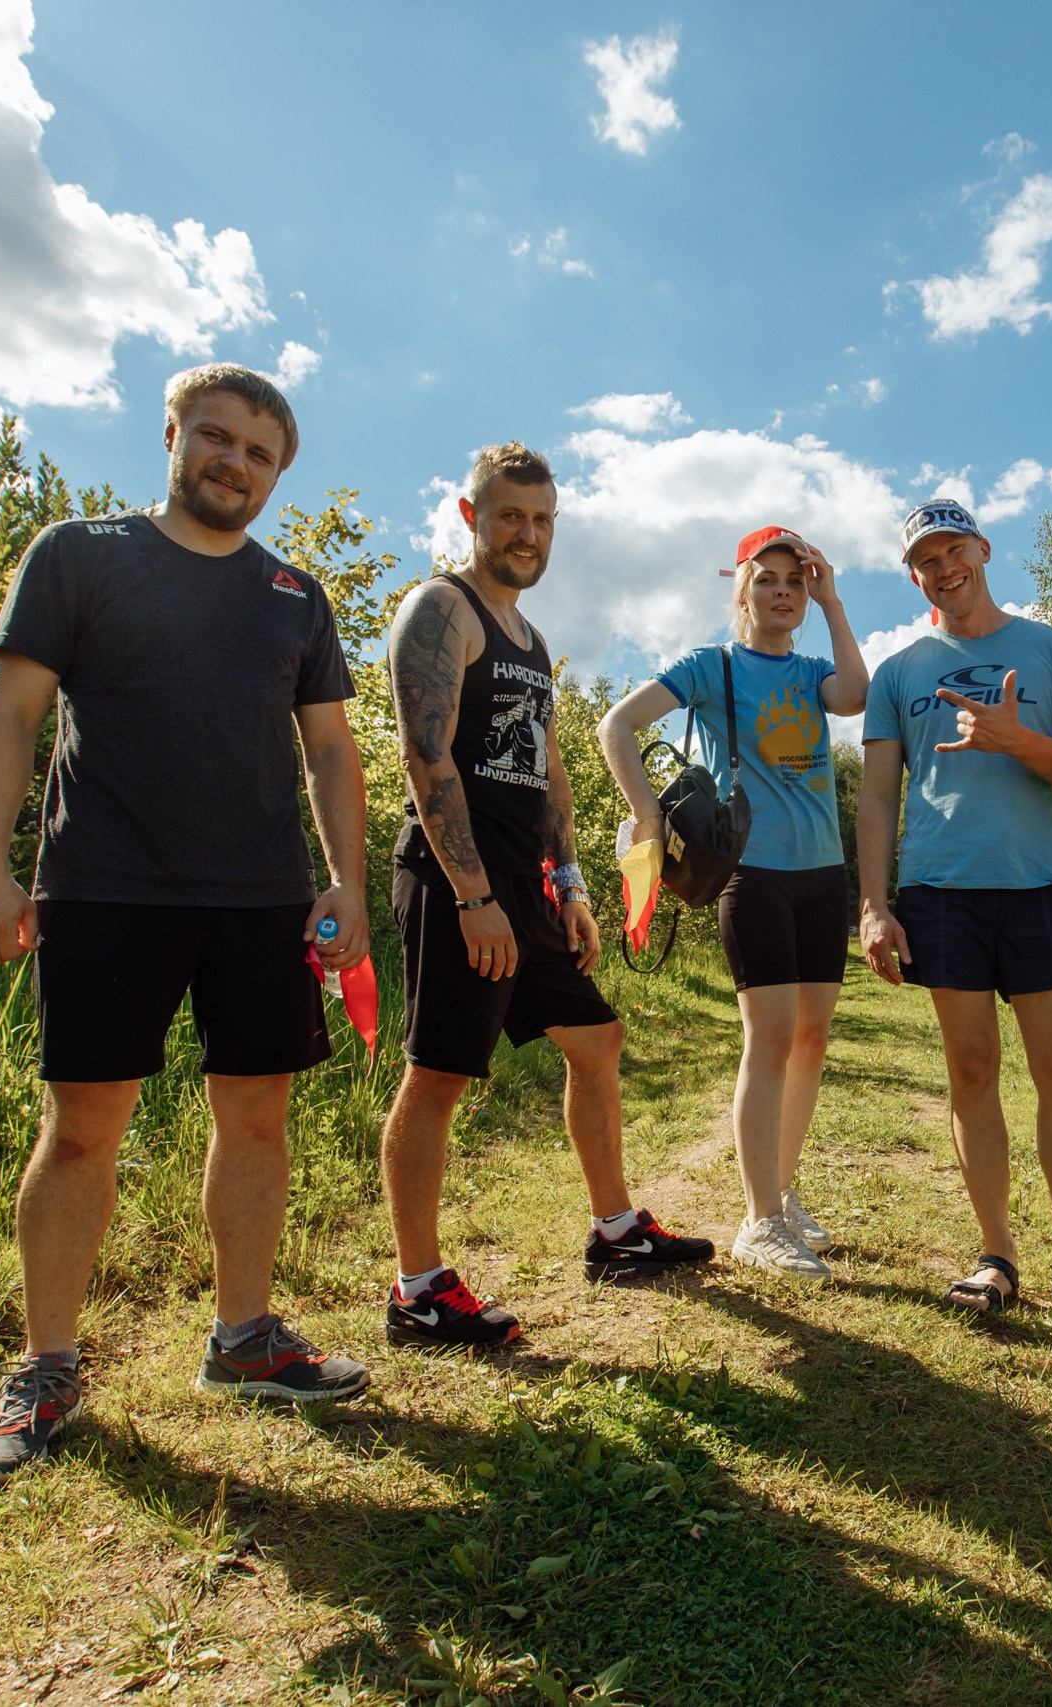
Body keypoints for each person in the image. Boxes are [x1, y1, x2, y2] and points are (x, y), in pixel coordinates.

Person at [0, 364, 373, 1483]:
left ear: (278, 476)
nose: (235, 464)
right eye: (218, 440)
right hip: (106, 888)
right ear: (173, 435)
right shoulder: (79, 555)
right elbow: (12, 711)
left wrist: (346, 881)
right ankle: (44, 1370)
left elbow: (329, 749)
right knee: (81, 1131)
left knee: (259, 1122)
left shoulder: (294, 595)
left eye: (260, 454)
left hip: (263, 902)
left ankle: (243, 1341)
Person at [379, 442, 714, 1351]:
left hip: (523, 887)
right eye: (509, 515)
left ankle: (616, 1233)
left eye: (541, 519)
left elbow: (549, 767)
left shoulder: (526, 637)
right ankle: (417, 1289)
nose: (526, 533)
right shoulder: (441, 609)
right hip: (461, 882)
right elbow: (425, 752)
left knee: (596, 1038)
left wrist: (565, 881)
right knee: (439, 1074)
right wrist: (472, 892)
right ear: (471, 516)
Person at [857, 498, 1052, 1330]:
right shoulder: (898, 671)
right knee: (971, 1072)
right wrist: (875, 906)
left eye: (954, 549)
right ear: (914, 577)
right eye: (926, 559)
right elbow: (876, 797)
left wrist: (1015, 739)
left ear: (982, 548)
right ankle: (995, 1254)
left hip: (1037, 888)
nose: (944, 567)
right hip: (940, 894)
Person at [597, 527, 870, 1279]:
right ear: (742, 591)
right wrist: (648, 814)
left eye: (795, 581)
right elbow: (614, 724)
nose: (783, 592)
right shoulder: (710, 667)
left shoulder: (815, 670)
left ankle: (780, 1191)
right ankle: (759, 1220)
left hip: (823, 875)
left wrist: (837, 600)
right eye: (766, 580)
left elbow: (856, 695)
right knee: (772, 1038)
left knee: (811, 1038)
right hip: (754, 874)